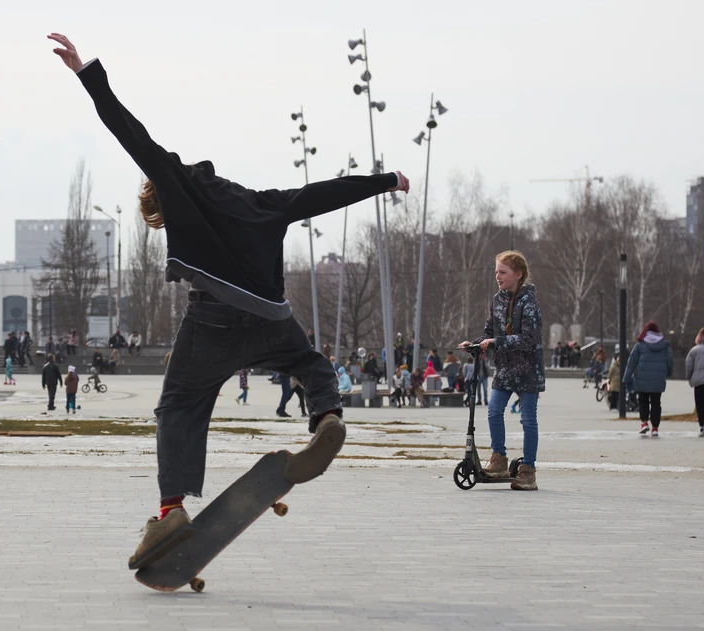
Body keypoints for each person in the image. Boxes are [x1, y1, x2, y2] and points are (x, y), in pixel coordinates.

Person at [48, 31, 409, 566]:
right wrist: (387, 180)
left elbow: (132, 134)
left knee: (178, 406)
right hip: (271, 319)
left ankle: (171, 510)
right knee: (308, 361)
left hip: (213, 321)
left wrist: (89, 76)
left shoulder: (175, 182)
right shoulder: (264, 203)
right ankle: (328, 412)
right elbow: (323, 193)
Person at [461, 250, 544, 491]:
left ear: (518, 274)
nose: (498, 276)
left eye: (503, 272)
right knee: (494, 410)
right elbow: (490, 332)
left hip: (528, 368)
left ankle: (528, 470)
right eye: (496, 271)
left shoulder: (529, 301)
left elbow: (529, 338)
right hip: (506, 367)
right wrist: (476, 343)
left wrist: (497, 342)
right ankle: (498, 459)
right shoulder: (497, 300)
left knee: (528, 419)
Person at [623, 321, 673, 437]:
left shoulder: (640, 345)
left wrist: (626, 377)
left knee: (643, 401)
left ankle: (644, 423)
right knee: (656, 403)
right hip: (658, 379)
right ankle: (655, 428)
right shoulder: (664, 346)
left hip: (642, 378)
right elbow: (670, 361)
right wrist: (668, 373)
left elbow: (631, 362)